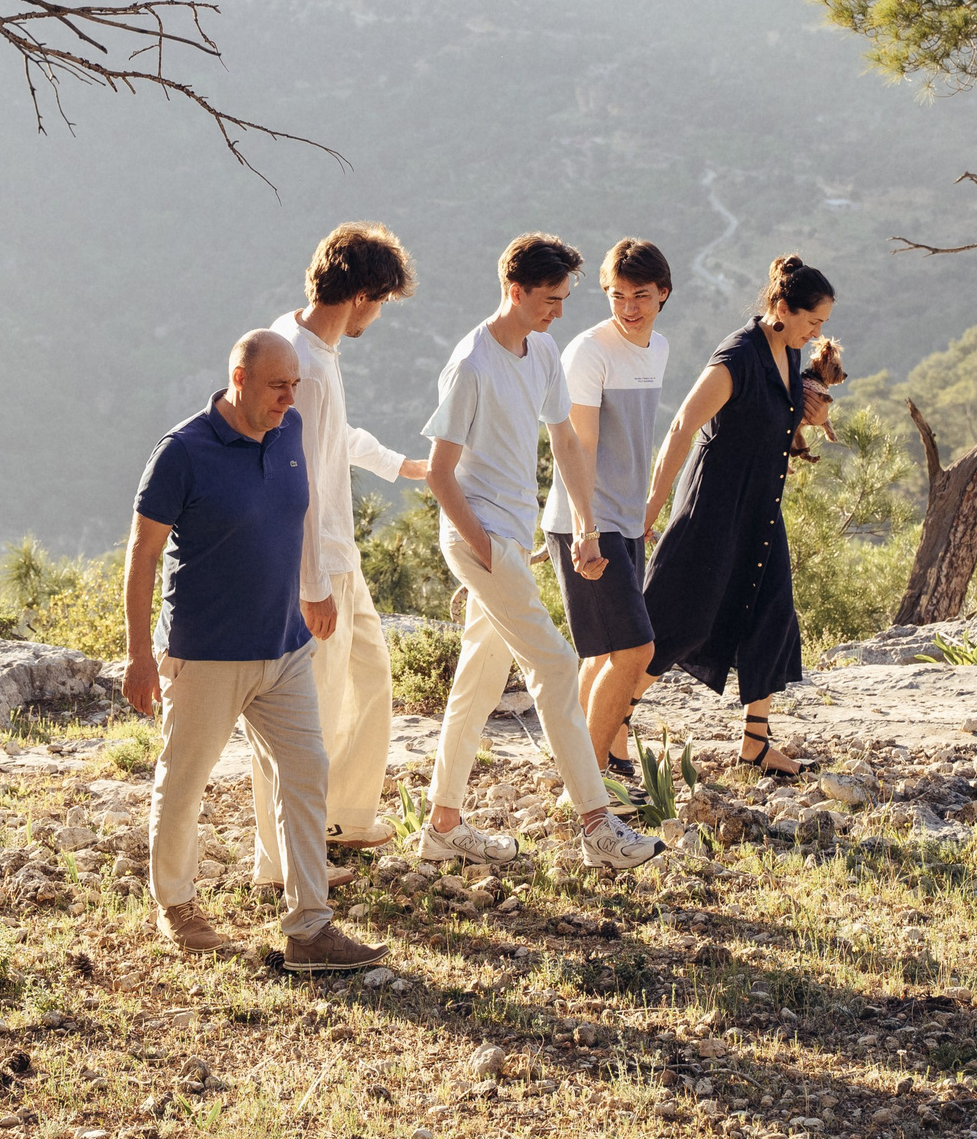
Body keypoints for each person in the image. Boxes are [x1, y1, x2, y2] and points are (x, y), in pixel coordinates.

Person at [122, 329, 388, 970]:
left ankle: (308, 928)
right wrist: (137, 653)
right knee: (185, 779)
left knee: (305, 771)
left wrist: (313, 590)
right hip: (207, 654)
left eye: (295, 385)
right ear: (239, 379)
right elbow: (142, 553)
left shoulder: (290, 430)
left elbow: (299, 520)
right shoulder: (182, 452)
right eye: (278, 385)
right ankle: (176, 906)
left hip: (285, 647)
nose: (290, 397)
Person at [417, 234, 664, 870]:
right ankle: (598, 826)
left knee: (475, 683)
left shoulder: (545, 349)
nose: (559, 311)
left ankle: (442, 827)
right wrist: (484, 549)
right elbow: (441, 474)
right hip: (482, 538)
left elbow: (567, 444)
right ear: (515, 290)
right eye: (549, 299)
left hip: (512, 540)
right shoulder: (471, 364)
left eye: (563, 299)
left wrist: (585, 525)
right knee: (555, 667)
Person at [252, 223, 433, 894]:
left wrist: (400, 465)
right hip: (314, 563)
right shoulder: (298, 356)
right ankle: (279, 862)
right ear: (364, 292)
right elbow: (295, 478)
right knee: (305, 712)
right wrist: (312, 584)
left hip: (337, 557)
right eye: (382, 300)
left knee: (370, 675)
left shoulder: (314, 348)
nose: (380, 315)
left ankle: (342, 818)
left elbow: (334, 440)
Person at [640, 253, 835, 777]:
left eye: (822, 324)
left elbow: (769, 416)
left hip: (760, 508)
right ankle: (613, 724)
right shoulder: (737, 357)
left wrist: (807, 409)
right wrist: (652, 506)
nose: (817, 333)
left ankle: (755, 744)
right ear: (780, 307)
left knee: (772, 612)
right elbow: (682, 426)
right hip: (713, 507)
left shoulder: (789, 353)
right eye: (812, 321)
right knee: (679, 616)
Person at [541, 239, 671, 785]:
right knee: (636, 649)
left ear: (663, 294)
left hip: (624, 520)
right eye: (616, 296)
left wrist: (643, 506)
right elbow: (581, 446)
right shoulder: (588, 352)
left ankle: (575, 767)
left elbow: (636, 440)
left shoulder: (658, 347)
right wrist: (587, 528)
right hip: (586, 523)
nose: (628, 308)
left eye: (640, 295)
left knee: (600, 655)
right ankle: (589, 780)